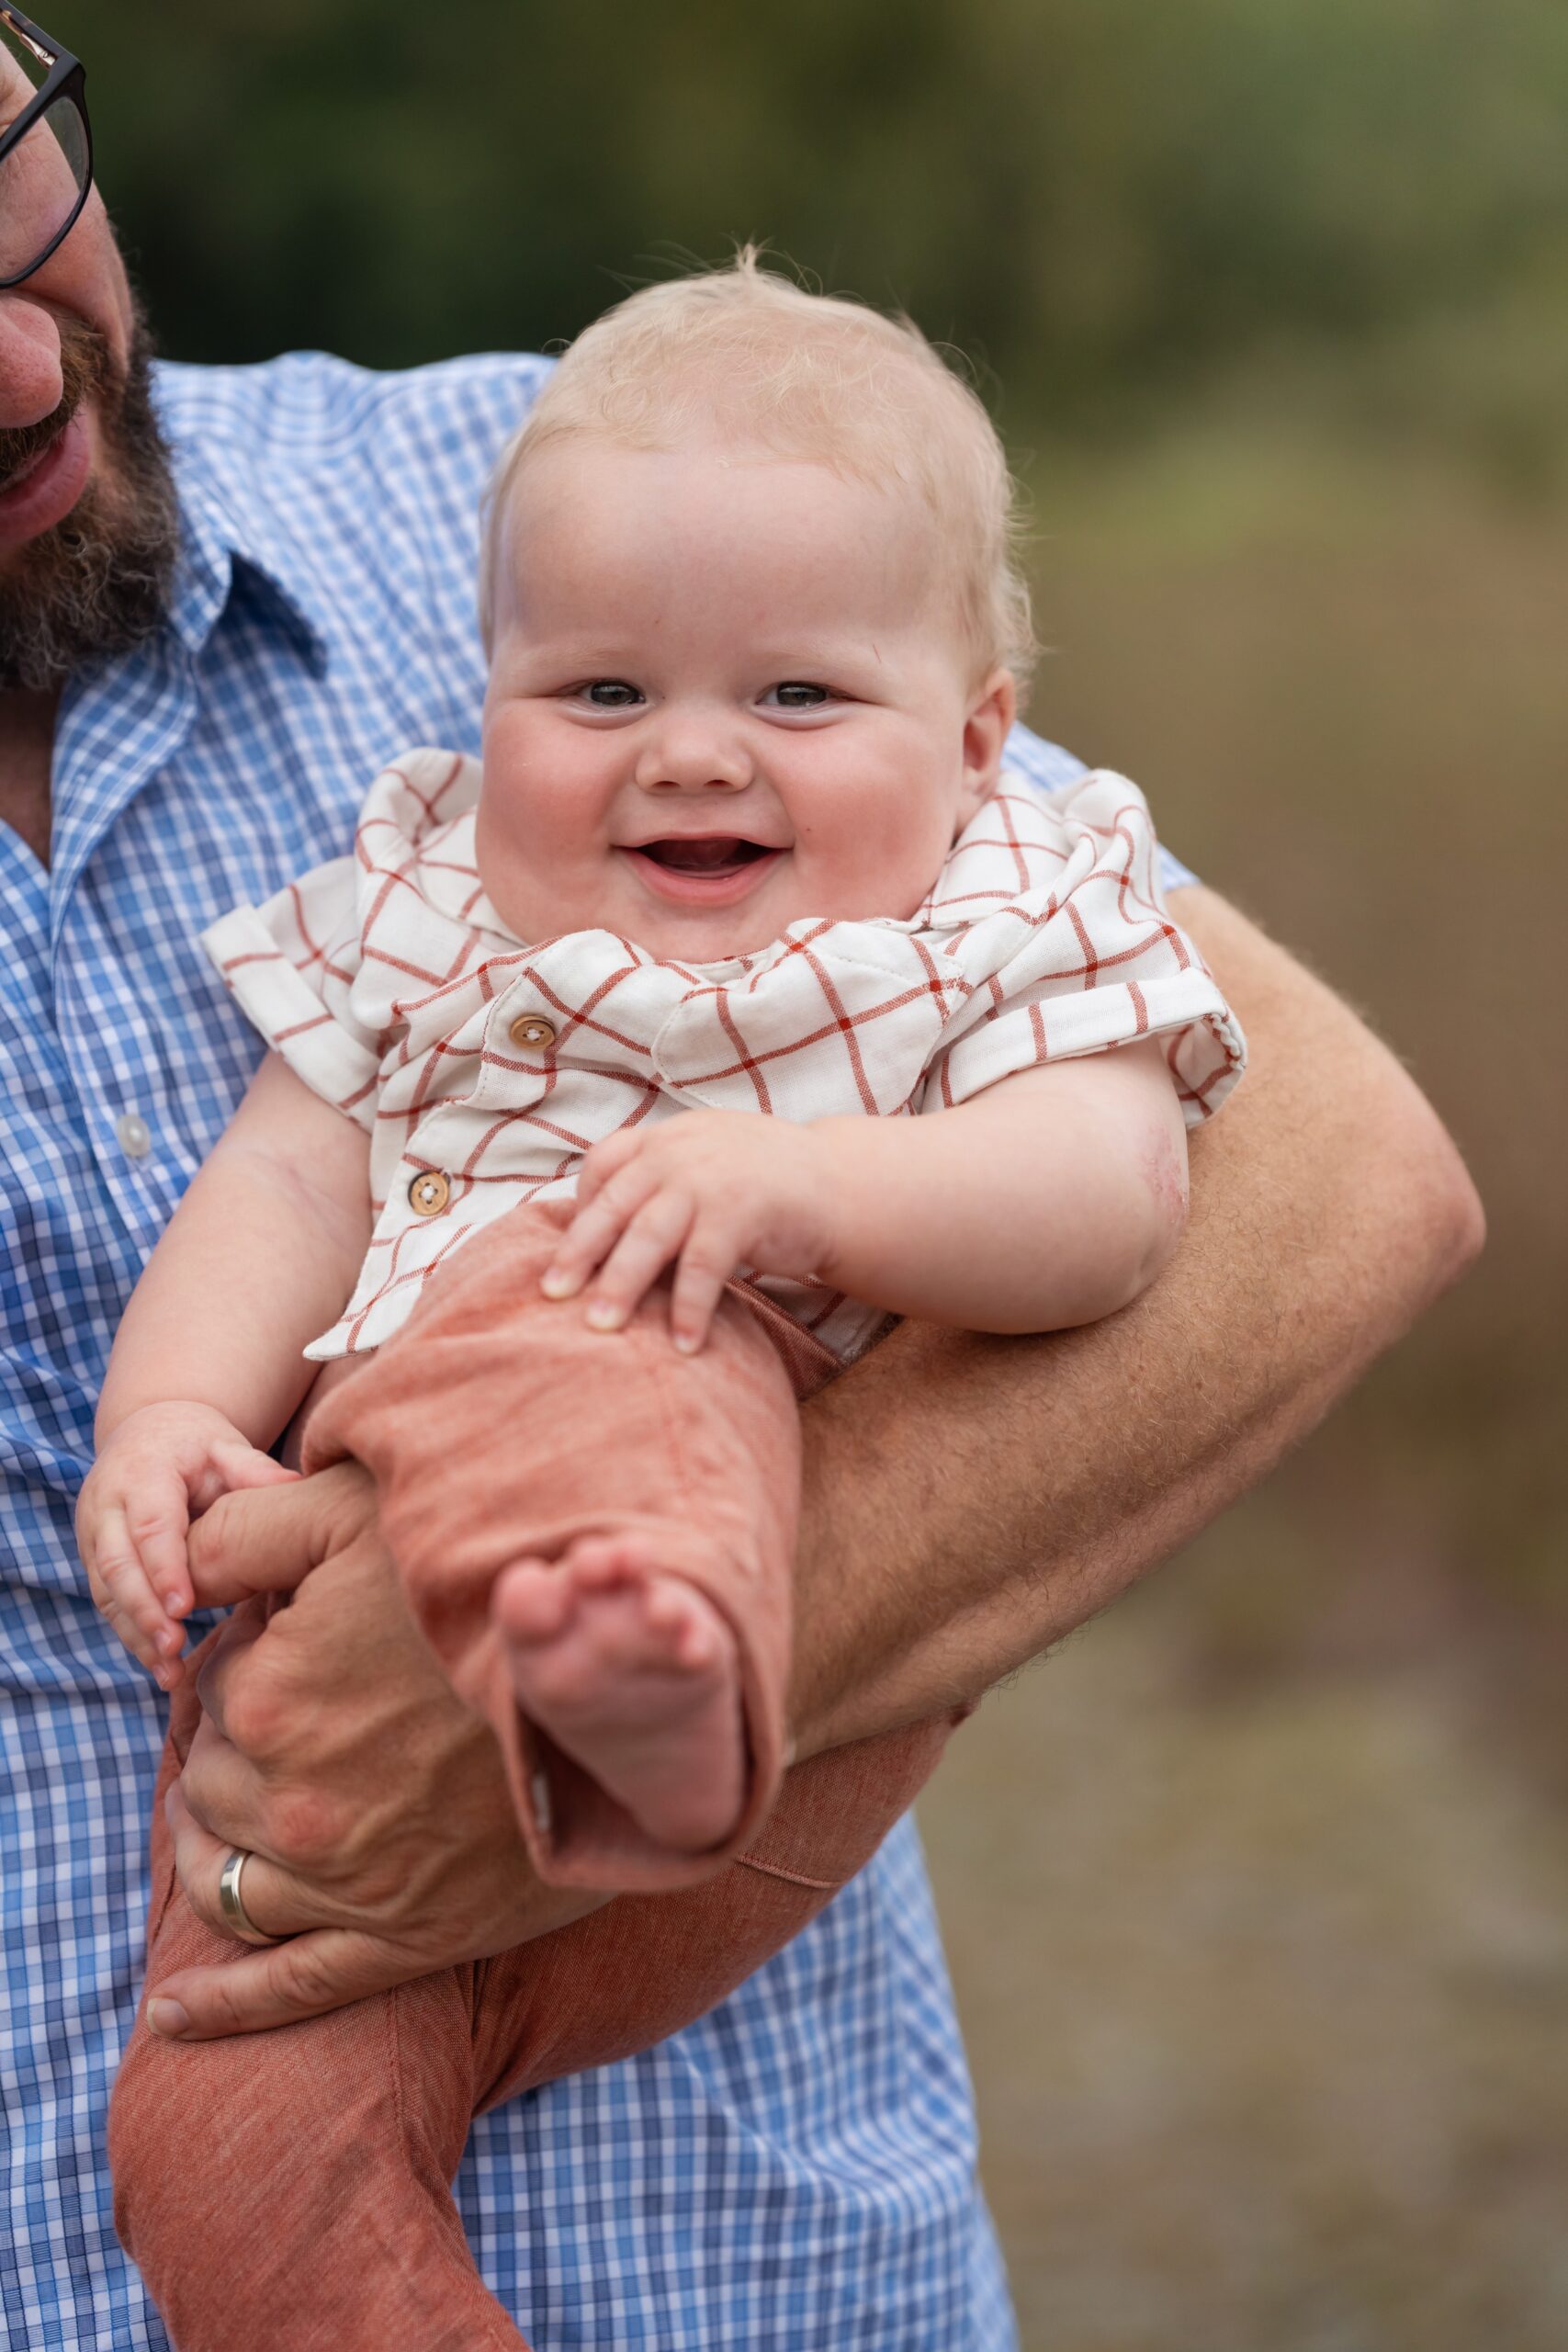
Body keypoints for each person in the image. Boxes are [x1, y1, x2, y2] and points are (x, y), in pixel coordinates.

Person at [0, 15, 1483, 2349]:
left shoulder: (972, 900)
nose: (689, 746)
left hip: (701, 1479)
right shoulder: (446, 897)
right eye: (594, 700)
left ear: (972, 731)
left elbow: (1122, 1193)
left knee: (613, 1355)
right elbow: (287, 1179)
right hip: (278, 1823)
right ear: (491, 691)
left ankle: (633, 1659)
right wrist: (165, 1421)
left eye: (792, 703)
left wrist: (799, 1204)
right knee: (223, 2151)